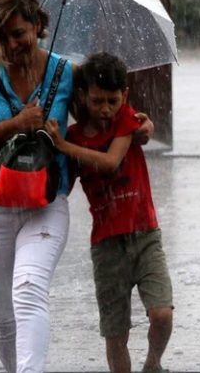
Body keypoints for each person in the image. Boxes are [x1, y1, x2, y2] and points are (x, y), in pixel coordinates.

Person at [0, 0, 154, 373]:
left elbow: (107, 113)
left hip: (45, 205)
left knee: (28, 289)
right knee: (2, 317)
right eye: (2, 38)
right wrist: (15, 124)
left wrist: (142, 125)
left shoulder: (66, 73)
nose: (12, 45)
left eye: (19, 34)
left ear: (39, 26)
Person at [45, 52, 174, 373]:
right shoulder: (74, 136)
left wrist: (61, 145)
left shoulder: (126, 120)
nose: (105, 109)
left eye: (113, 101)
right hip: (106, 247)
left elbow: (110, 161)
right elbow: (63, 186)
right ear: (82, 97)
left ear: (124, 96)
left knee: (162, 313)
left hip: (145, 235)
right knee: (116, 333)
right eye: (97, 101)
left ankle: (152, 364)